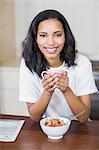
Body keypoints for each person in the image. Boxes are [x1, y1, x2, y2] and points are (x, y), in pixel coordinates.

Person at [19, 9, 97, 123]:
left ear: (65, 36)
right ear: (35, 38)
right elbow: (34, 117)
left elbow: (83, 117)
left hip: (78, 129)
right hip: (47, 126)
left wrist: (66, 91)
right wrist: (47, 92)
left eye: (57, 35)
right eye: (43, 35)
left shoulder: (82, 62)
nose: (51, 42)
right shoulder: (28, 64)